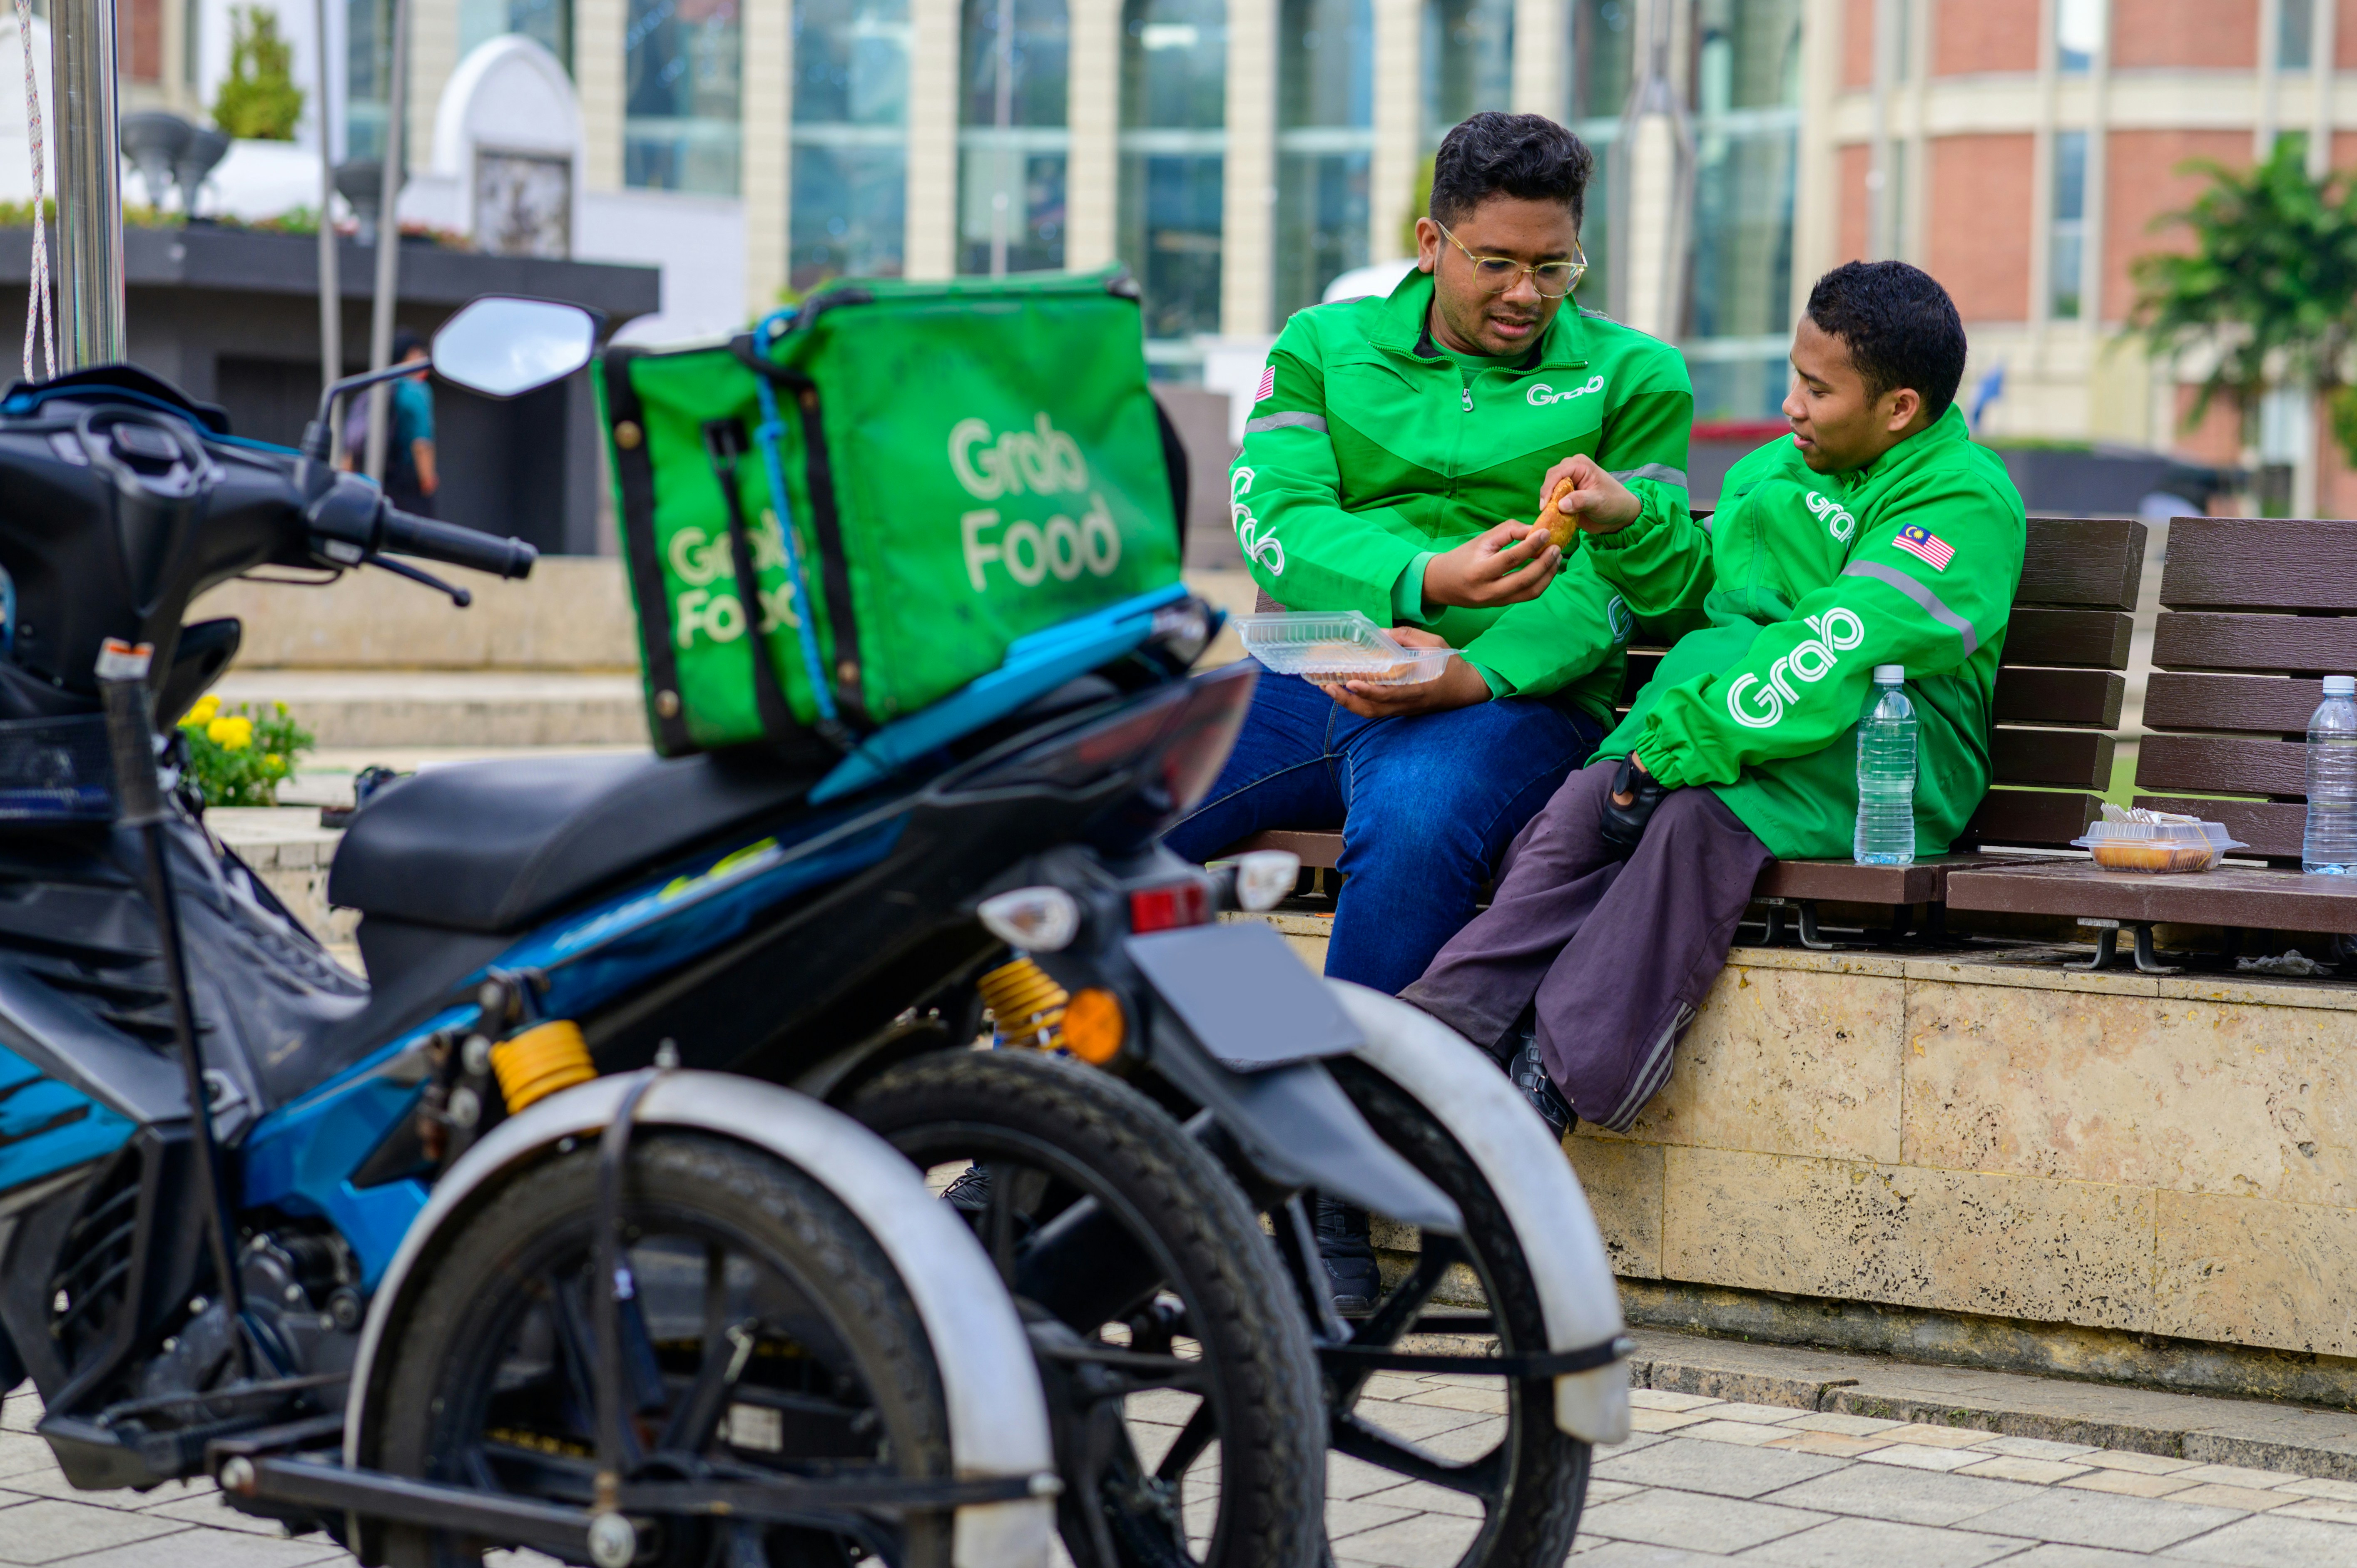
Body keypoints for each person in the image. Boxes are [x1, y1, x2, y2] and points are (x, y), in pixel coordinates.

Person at [1161, 110, 1693, 1312]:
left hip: (1503, 703)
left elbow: (1636, 586)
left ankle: (1321, 1188)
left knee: (1411, 830)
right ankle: (1054, 1131)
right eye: (1495, 262)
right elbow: (1276, 524)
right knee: (1111, 807)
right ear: (1431, 241)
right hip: (1313, 667)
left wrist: (1466, 665)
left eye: (1552, 266)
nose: (1525, 294)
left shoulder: (1634, 375)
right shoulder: (1319, 345)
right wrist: (1419, 584)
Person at [1401, 260, 2026, 1144]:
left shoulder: (1960, 500)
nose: (1791, 407)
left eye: (1817, 389)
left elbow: (1840, 643)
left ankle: (1554, 1075)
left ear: (1899, 409)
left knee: (1693, 819)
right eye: (1792, 378)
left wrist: (1680, 744)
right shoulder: (1771, 472)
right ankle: (1433, 1041)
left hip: (1874, 756)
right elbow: (1706, 593)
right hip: (1715, 722)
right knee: (1581, 808)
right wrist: (1628, 521)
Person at [342, 328, 439, 517]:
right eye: (420, 353)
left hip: (369, 484)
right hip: (405, 487)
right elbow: (422, 441)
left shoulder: (373, 391)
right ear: (410, 355)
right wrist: (428, 478)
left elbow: (350, 447)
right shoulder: (416, 390)